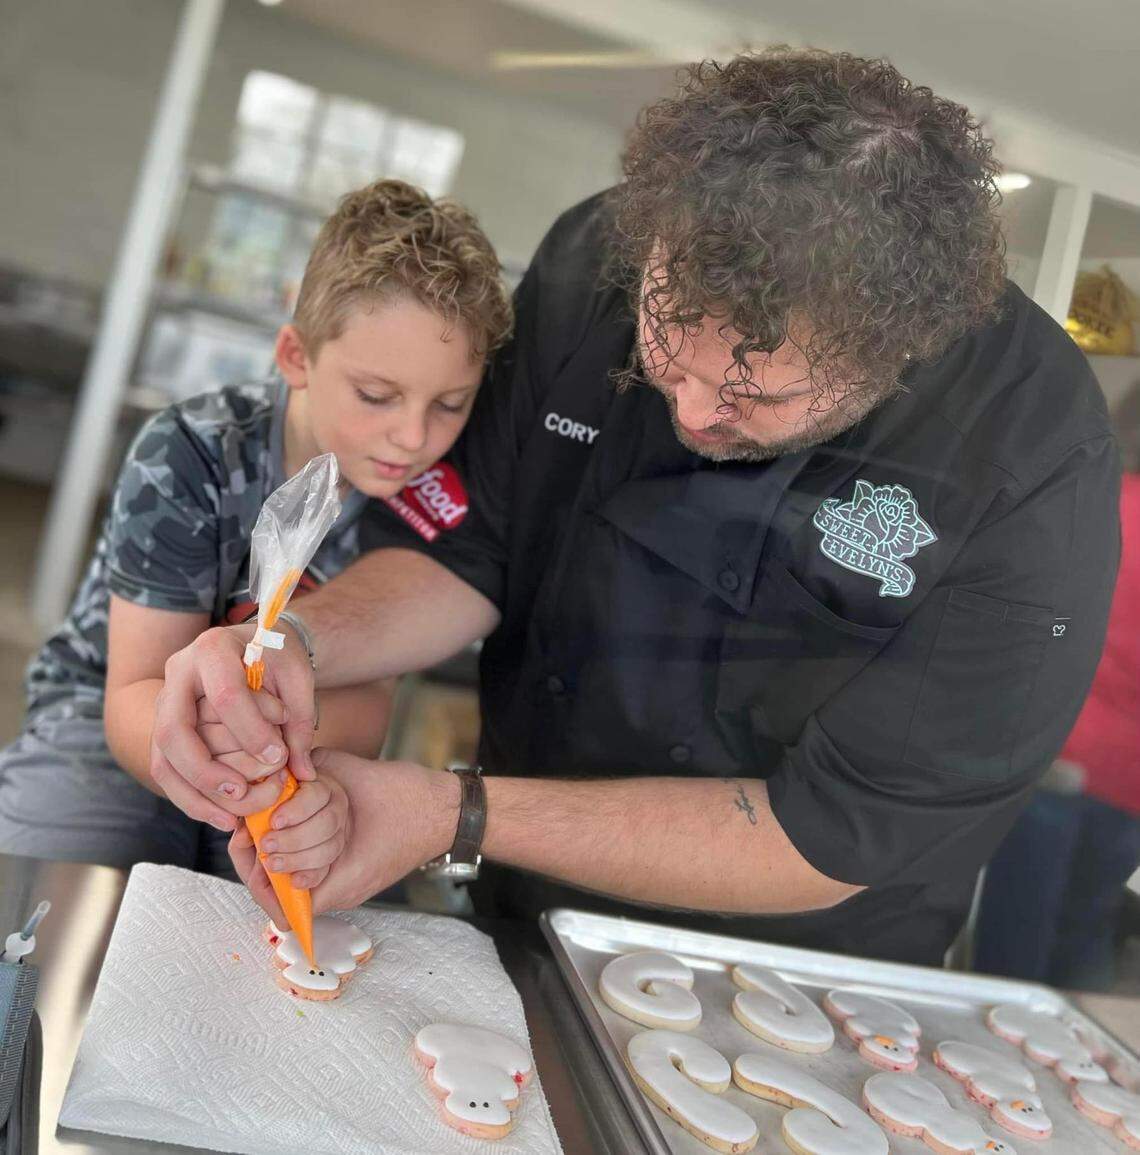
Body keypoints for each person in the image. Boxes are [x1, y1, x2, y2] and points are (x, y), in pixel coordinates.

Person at [154, 50, 1120, 965]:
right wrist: (296, 645)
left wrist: (454, 813)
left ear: (898, 356)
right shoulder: (591, 259)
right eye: (665, 347)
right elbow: (471, 548)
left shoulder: (1028, 455)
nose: (694, 410)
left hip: (794, 970)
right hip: (520, 900)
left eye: (761, 396)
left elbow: (832, 831)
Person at [0, 179, 511, 883]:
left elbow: (365, 709)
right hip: (110, 727)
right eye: (375, 395)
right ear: (296, 356)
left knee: (272, 932)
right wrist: (219, 739)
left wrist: (269, 753)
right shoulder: (188, 451)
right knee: (55, 906)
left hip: (301, 752)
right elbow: (132, 692)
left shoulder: (432, 500)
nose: (415, 435)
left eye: (451, 404)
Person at [973, 391, 1140, 989]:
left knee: (1012, 937)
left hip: (1055, 750)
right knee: (1086, 931)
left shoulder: (1094, 504)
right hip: (1130, 779)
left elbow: (1034, 621)